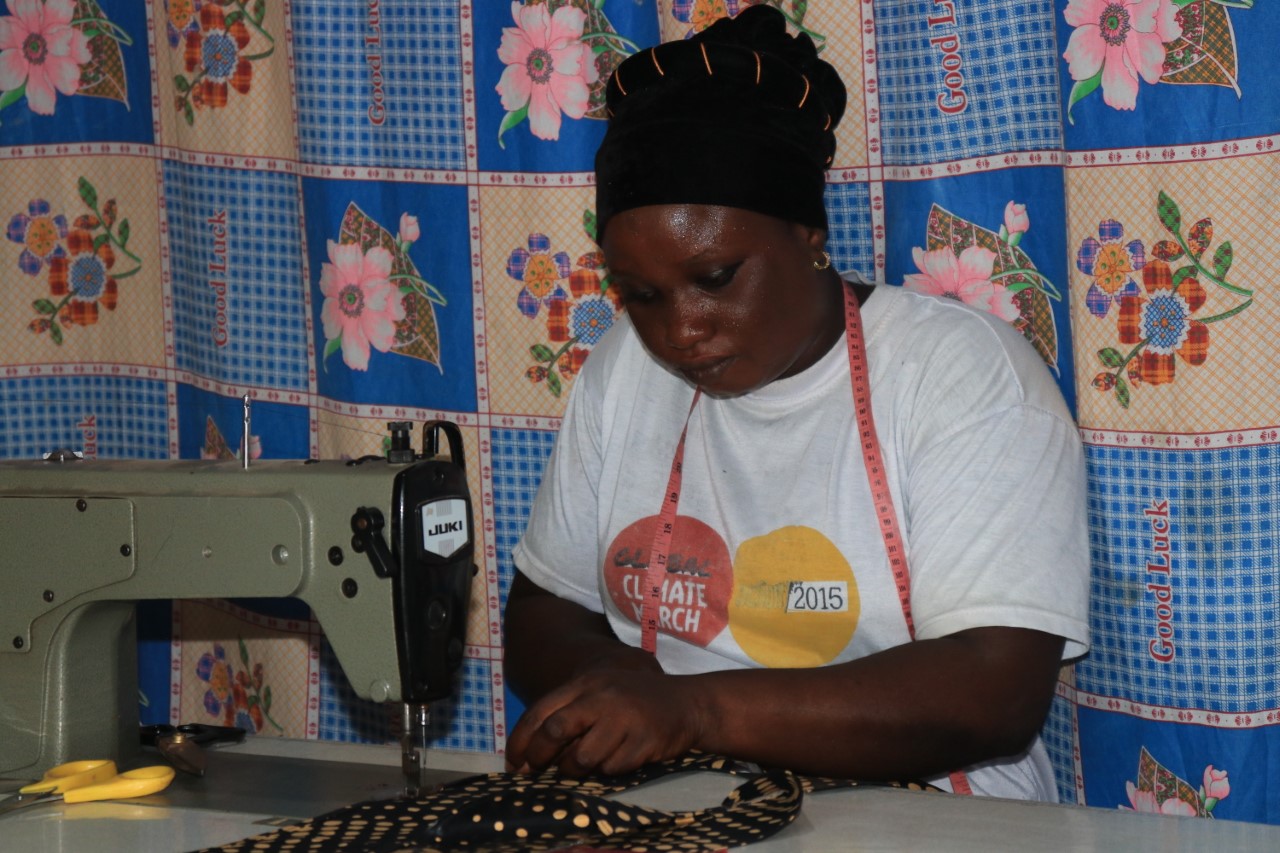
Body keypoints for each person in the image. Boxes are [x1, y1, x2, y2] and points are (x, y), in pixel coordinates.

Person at [503, 5, 1089, 801]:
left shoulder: (959, 374)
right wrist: (617, 685)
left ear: (808, 233)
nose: (680, 331)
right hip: (691, 801)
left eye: (715, 279)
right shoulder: (625, 370)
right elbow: (542, 612)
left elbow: (994, 693)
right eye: (641, 294)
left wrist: (694, 709)